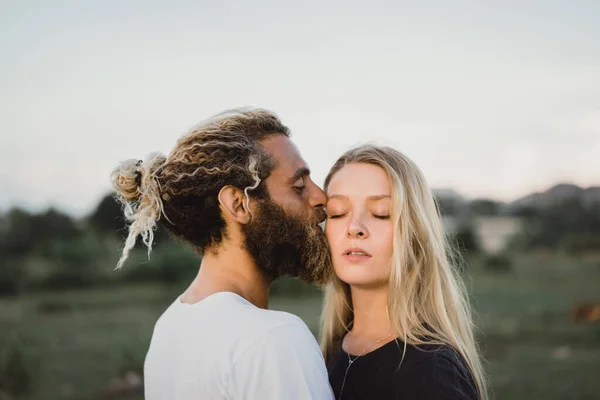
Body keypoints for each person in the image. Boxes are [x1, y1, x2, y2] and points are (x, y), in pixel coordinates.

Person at [111, 108, 335, 399]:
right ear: (239, 205)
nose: (321, 197)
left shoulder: (169, 328)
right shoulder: (273, 338)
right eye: (299, 187)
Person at [320, 145, 488, 399]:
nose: (354, 227)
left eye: (381, 214)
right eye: (338, 213)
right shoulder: (326, 352)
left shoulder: (433, 372)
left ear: (414, 234)